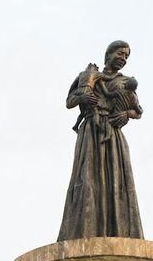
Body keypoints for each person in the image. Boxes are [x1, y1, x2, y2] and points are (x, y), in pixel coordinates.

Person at [57, 40, 144, 241]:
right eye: (120, 54)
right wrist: (82, 98)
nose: (123, 59)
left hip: (113, 133)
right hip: (91, 131)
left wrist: (127, 114)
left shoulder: (125, 82)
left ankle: (118, 231)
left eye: (126, 56)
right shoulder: (87, 76)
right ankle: (83, 231)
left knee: (117, 181)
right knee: (87, 180)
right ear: (108, 54)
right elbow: (69, 102)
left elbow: (138, 111)